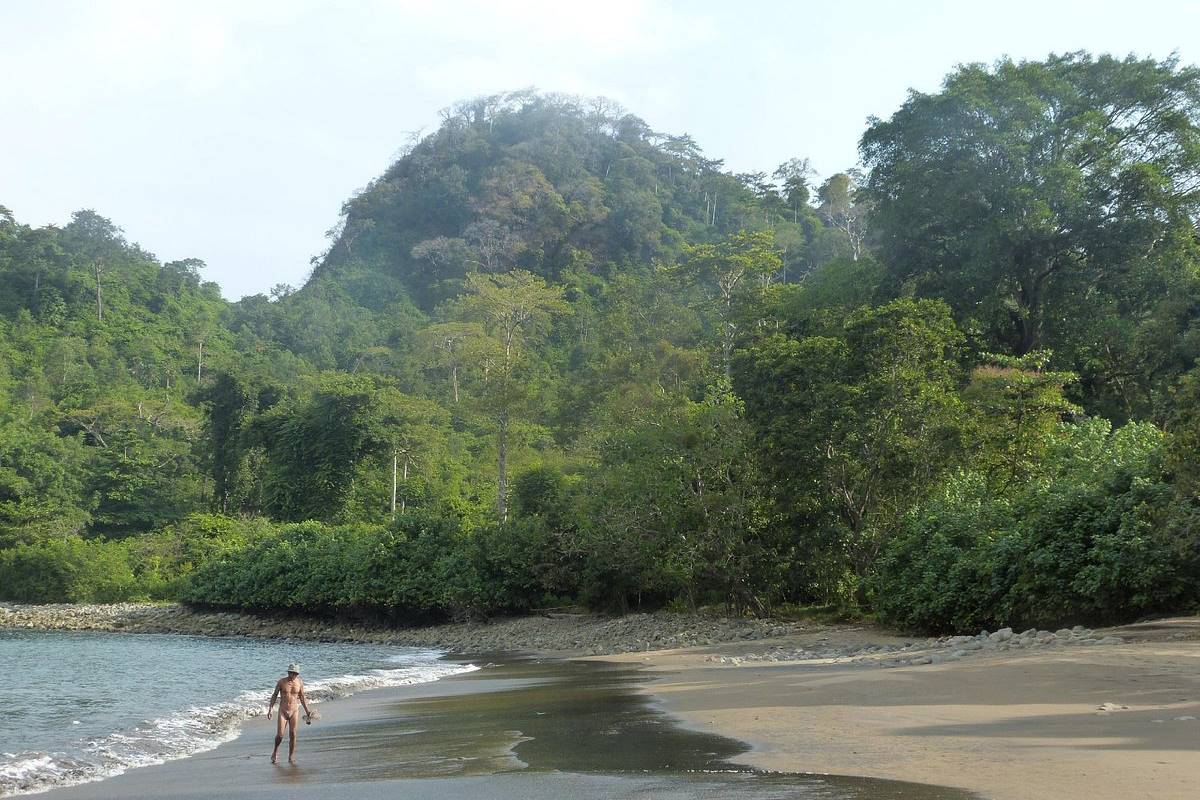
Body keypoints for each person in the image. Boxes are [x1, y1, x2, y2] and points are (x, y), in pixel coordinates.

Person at [267, 663, 311, 764]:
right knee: (280, 735)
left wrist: (307, 711)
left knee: (293, 734)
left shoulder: (299, 682)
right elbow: (274, 695)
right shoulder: (281, 682)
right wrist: (270, 709)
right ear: (288, 672)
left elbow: (302, 697)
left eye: (295, 673)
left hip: (294, 710)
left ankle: (291, 756)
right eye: (291, 673)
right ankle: (275, 751)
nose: (293, 675)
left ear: (297, 674)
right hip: (283, 710)